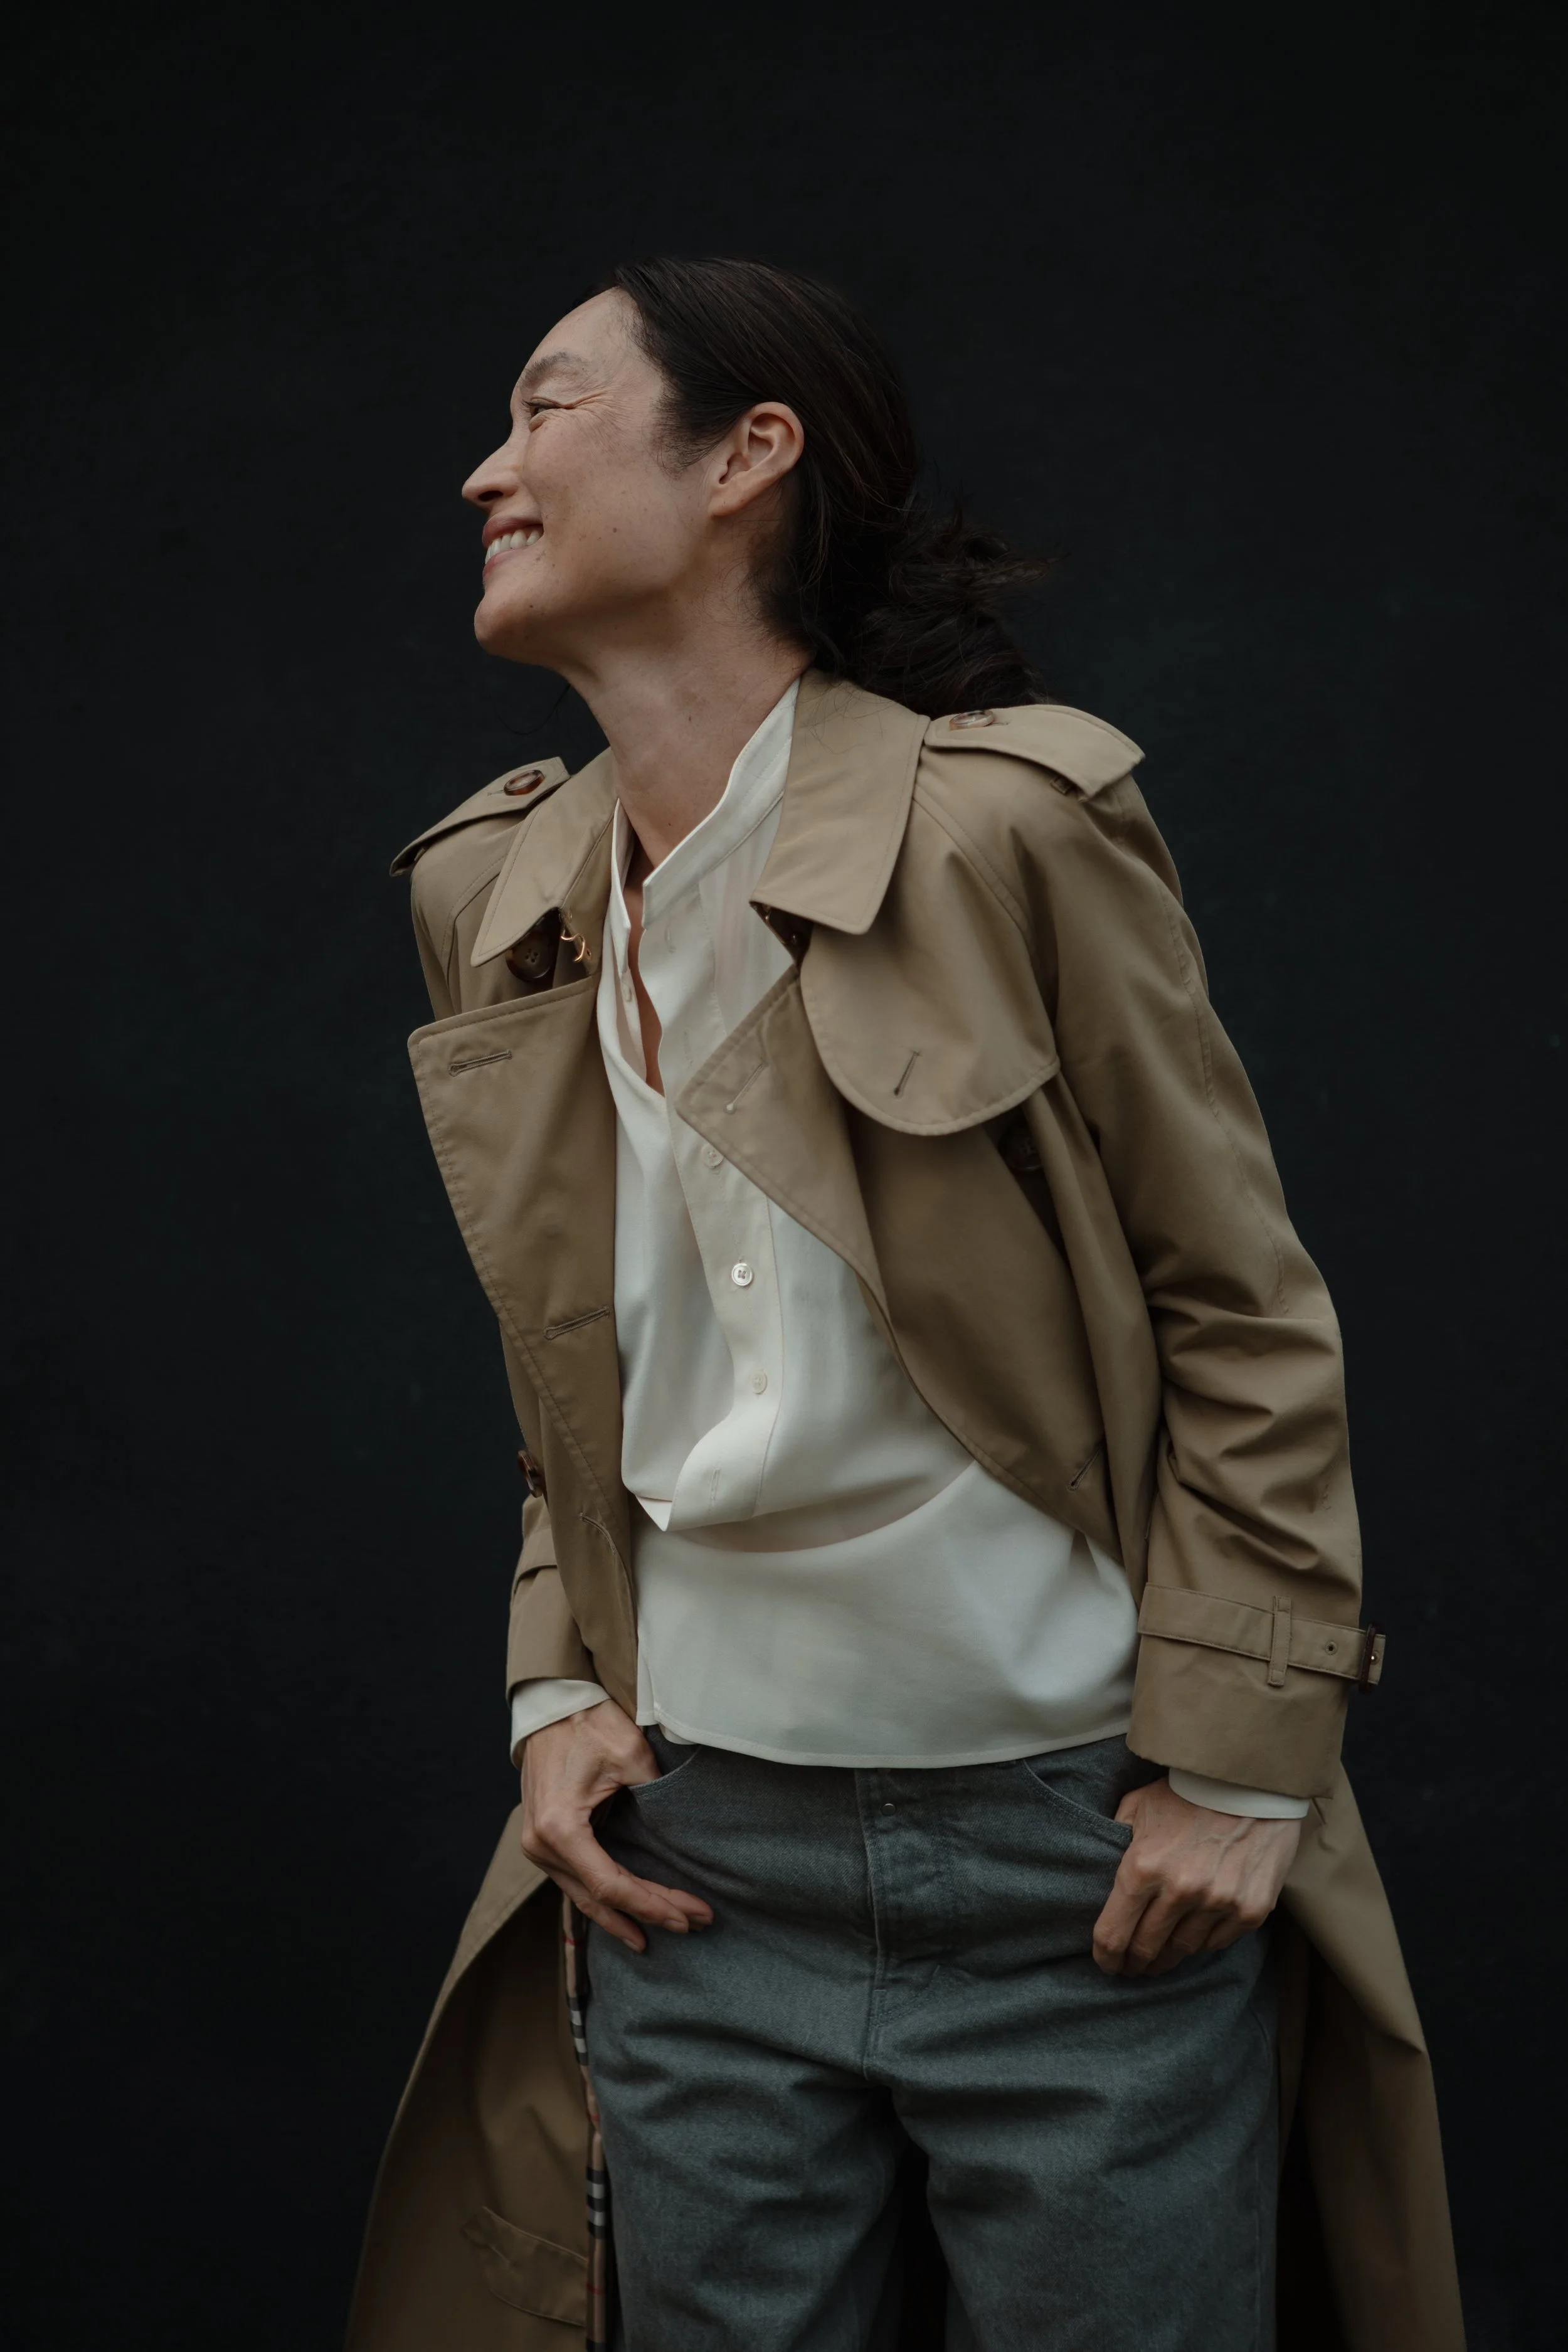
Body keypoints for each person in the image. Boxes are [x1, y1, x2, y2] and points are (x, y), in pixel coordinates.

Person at [346, 257, 1463, 2352]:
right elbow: (567, 1375)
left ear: (748, 457)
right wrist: (549, 1684)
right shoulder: (489, 897)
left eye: (549, 405)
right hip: (696, 1863)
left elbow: (1233, 1304)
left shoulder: (1008, 827)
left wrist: (1238, 1760)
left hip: (1077, 1863)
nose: (486, 465)